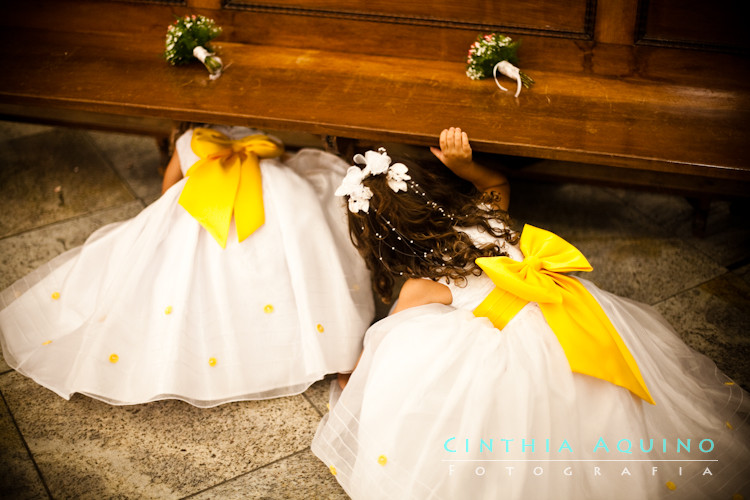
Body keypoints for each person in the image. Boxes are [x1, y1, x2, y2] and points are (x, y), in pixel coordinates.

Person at [311, 127, 750, 499]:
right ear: (437, 193)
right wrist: (463, 165)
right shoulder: (481, 215)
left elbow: (385, 339)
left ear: (384, 241)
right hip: (567, 314)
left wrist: (359, 383)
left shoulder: (420, 287)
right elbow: (497, 182)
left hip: (523, 355)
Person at [0, 124, 374, 407]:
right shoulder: (263, 137)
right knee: (300, 246)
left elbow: (167, 191)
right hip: (280, 211)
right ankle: (331, 347)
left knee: (178, 262)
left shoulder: (188, 140)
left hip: (206, 211)